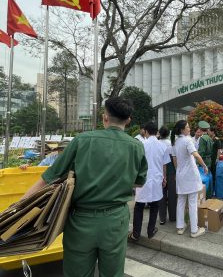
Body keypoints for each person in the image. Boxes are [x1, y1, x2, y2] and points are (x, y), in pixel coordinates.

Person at [20, 97, 148, 277]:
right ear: (128, 120)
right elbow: (139, 182)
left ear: (105, 117)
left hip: (81, 221)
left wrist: (16, 209)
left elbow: (48, 178)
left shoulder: (81, 140)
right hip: (115, 220)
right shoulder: (137, 146)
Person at [129, 121, 170, 241]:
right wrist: (164, 177)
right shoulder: (163, 146)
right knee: (154, 205)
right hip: (157, 178)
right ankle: (150, 230)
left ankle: (136, 234)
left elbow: (136, 164)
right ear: (156, 131)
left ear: (145, 131)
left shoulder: (141, 145)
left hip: (143, 179)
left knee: (139, 206)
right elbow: (164, 165)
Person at [171, 120, 207, 238]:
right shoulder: (188, 140)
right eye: (187, 127)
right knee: (192, 202)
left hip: (181, 175)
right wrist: (204, 166)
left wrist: (178, 171)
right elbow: (196, 155)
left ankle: (180, 227)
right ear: (182, 129)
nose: (189, 128)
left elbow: (175, 161)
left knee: (181, 201)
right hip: (190, 175)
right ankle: (194, 230)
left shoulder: (175, 142)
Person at [158, 125, 177, 224]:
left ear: (159, 134)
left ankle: (162, 218)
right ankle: (173, 217)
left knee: (161, 195)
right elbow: (174, 159)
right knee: (172, 195)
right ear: (168, 134)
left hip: (159, 172)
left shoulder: (157, 144)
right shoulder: (171, 144)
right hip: (172, 172)